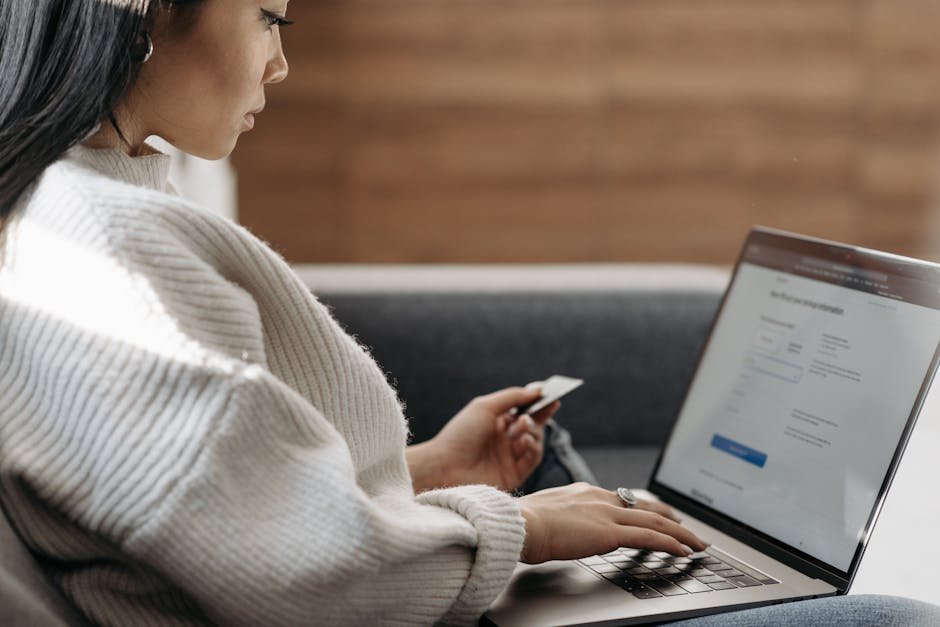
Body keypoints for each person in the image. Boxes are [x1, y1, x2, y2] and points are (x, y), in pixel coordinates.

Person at [0, 2, 937, 626]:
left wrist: (428, 473)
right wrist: (515, 528)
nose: (282, 62)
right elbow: (295, 568)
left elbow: (222, 508)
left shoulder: (86, 206)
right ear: (146, 11)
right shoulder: (98, 247)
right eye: (267, 17)